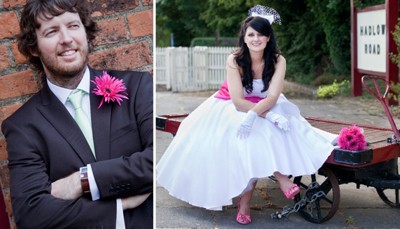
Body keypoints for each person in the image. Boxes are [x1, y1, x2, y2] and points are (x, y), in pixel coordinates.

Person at [157, 5, 336, 225]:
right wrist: (261, 117)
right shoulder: (235, 60)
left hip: (266, 104)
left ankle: (254, 194)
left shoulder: (279, 60)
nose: (256, 39)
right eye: (251, 34)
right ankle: (272, 183)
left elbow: (271, 97)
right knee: (249, 136)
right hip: (231, 106)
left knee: (283, 128)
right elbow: (238, 101)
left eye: (261, 34)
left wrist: (265, 115)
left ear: (269, 37)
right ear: (244, 37)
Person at [1, 0, 153, 228]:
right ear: (34, 47)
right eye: (52, 31)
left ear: (85, 32)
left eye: (73, 26)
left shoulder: (137, 87)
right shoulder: (23, 126)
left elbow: (158, 161)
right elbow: (30, 215)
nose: (66, 39)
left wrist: (82, 180)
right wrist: (117, 207)